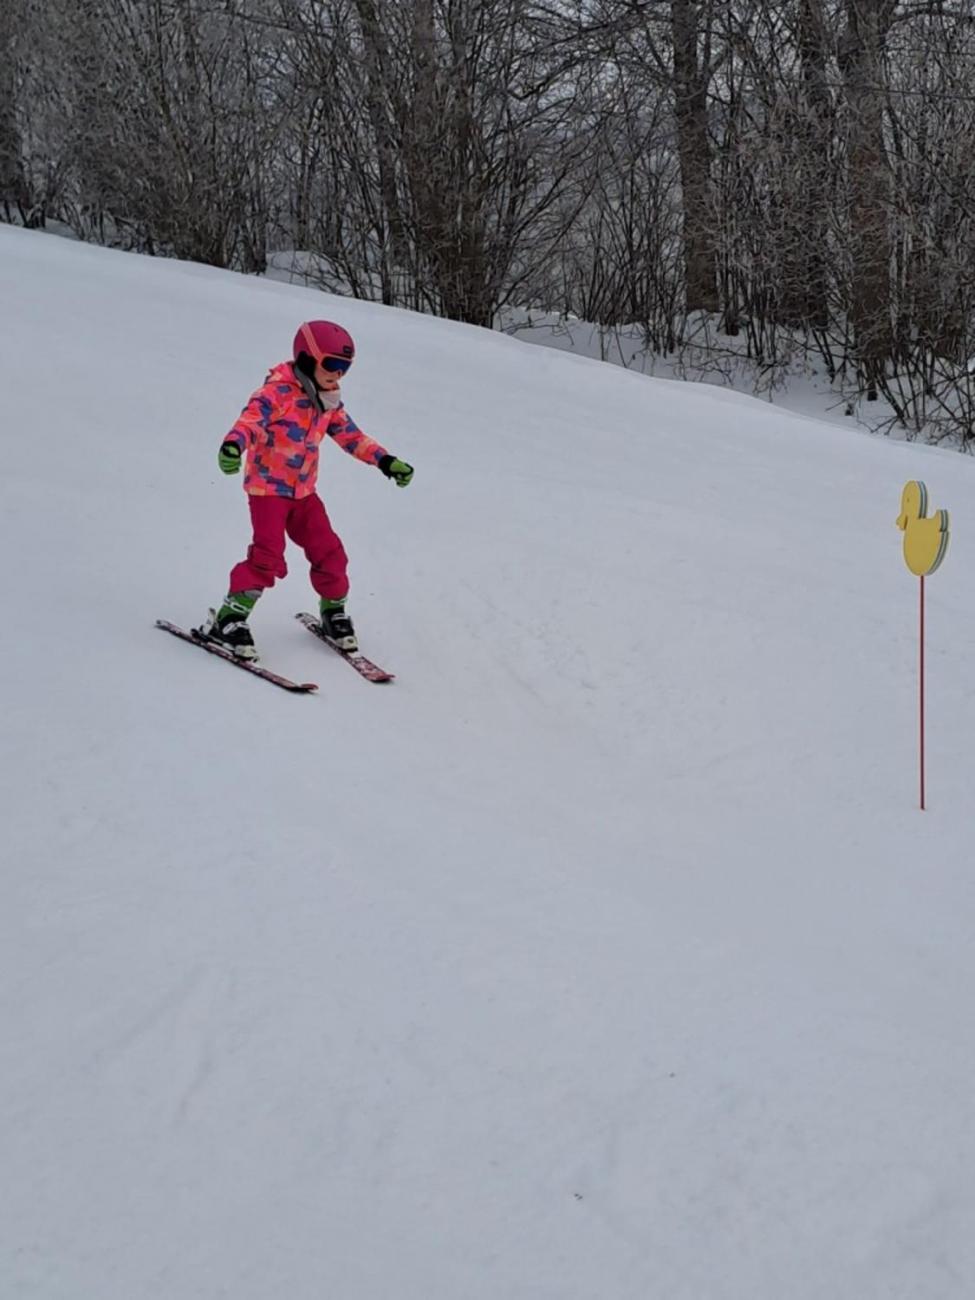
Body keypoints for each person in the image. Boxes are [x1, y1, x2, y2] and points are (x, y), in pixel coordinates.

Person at [201, 320, 413, 660]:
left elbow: (351, 436)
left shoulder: (327, 400)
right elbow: (250, 422)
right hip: (268, 491)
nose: (339, 374)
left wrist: (386, 461)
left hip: (303, 493)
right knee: (267, 556)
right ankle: (229, 619)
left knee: (329, 550)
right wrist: (232, 445)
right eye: (332, 365)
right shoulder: (277, 393)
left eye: (345, 367)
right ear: (305, 359)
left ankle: (333, 613)